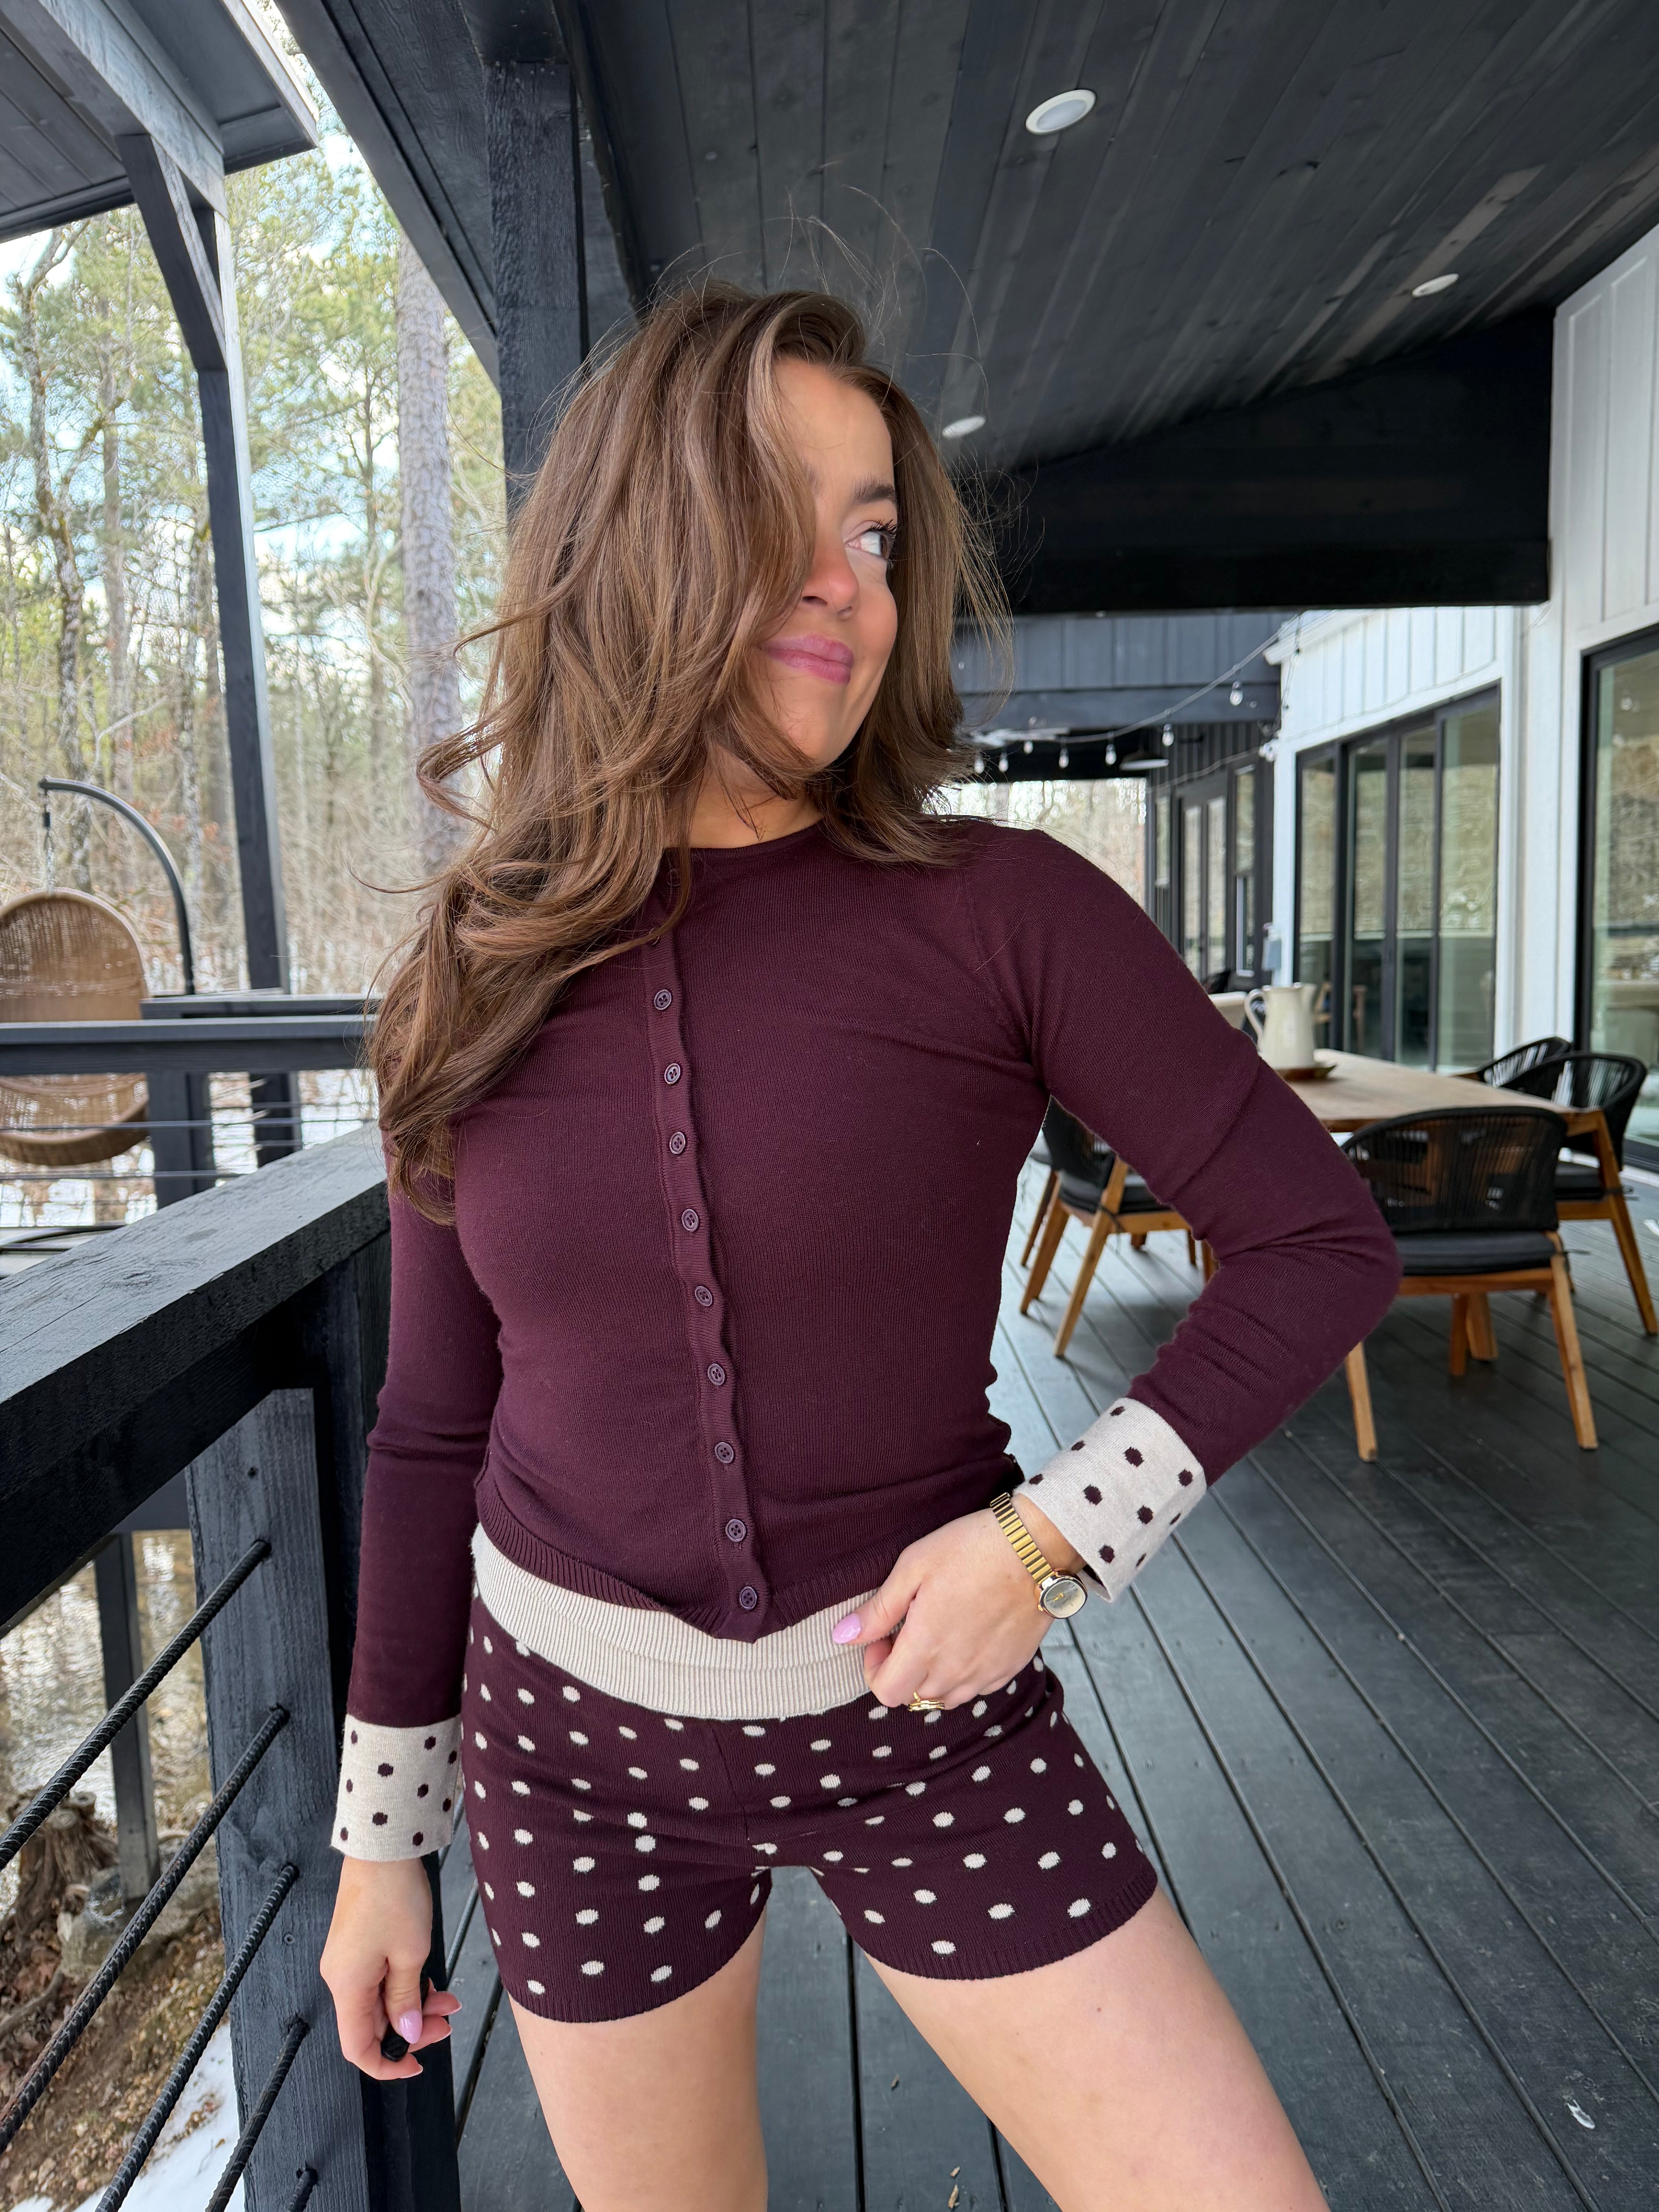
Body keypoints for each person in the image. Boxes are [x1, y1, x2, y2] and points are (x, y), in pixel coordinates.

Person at [320, 283, 1398, 2210]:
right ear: (636, 541)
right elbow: (429, 1431)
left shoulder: (1007, 913)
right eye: (777, 516)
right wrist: (381, 1838)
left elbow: (1320, 1243)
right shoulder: (472, 974)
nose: (849, 584)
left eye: (879, 533)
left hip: (929, 1730)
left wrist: (1047, 1546)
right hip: (567, 1756)